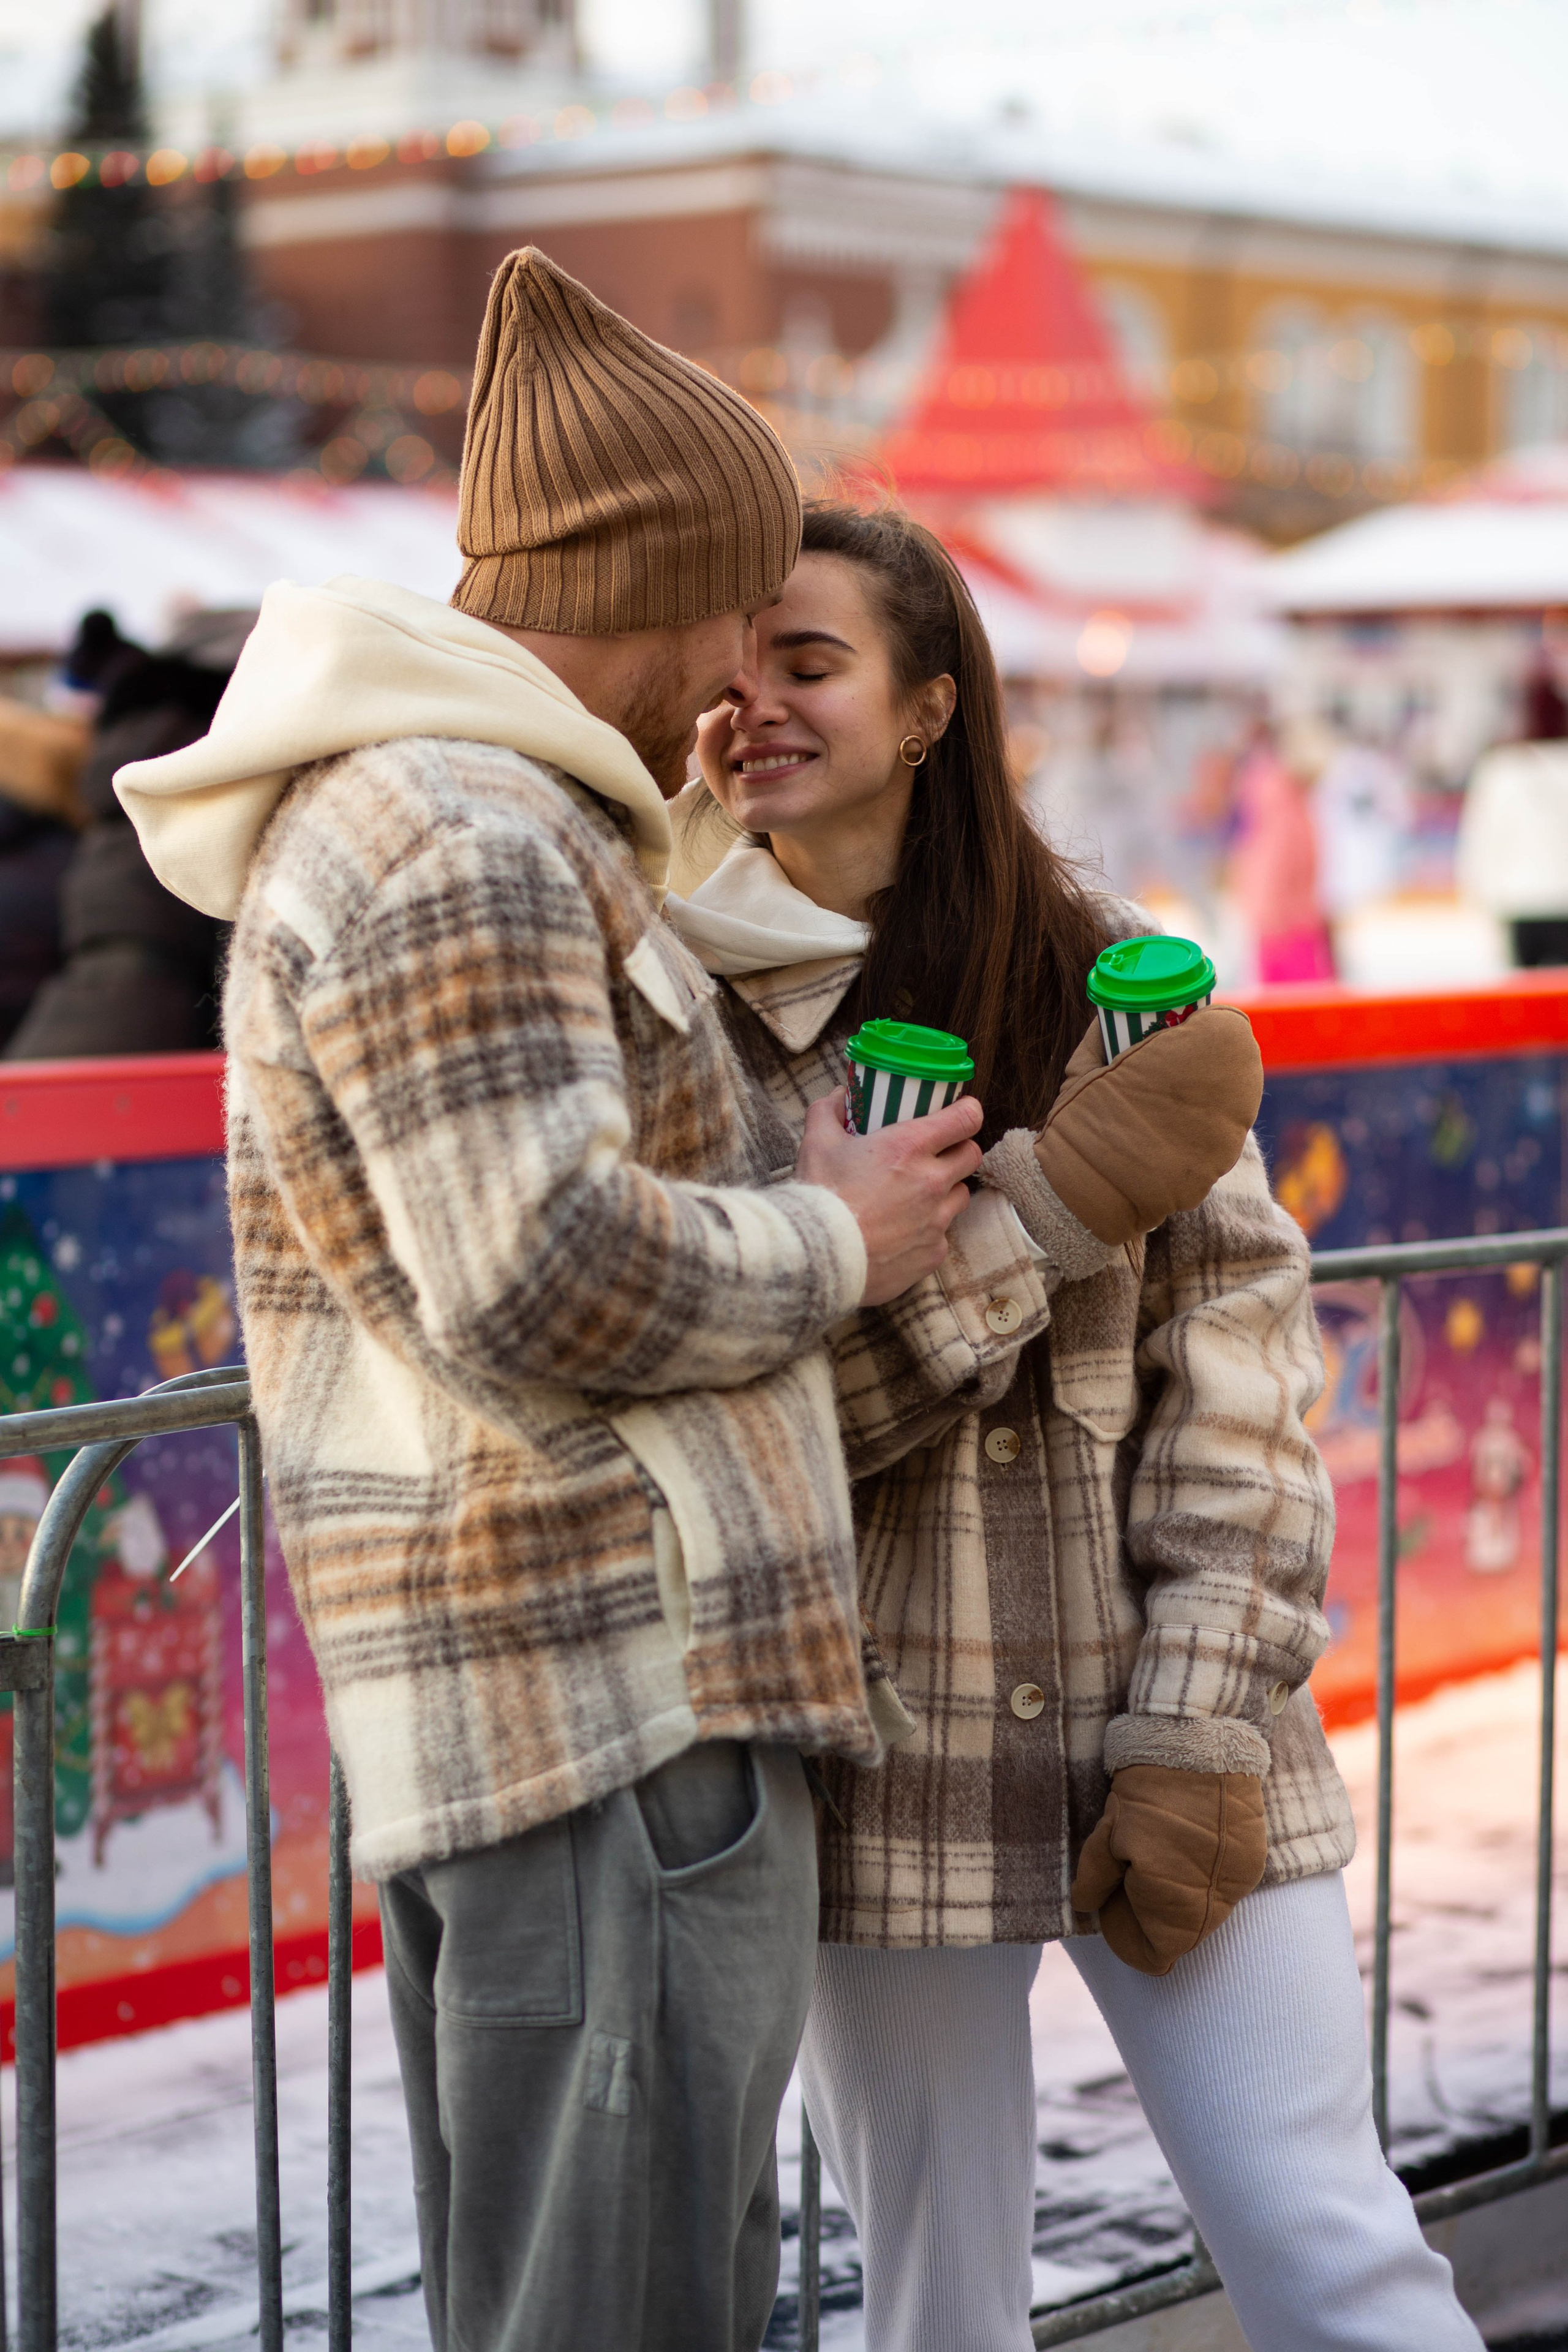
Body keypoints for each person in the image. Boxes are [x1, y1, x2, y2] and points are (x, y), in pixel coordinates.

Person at [113, 254, 986, 2352]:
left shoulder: (465, 809)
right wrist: (838, 1236)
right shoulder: (464, 827)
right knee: (617, 2311)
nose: (737, 658)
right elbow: (535, 1267)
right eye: (732, 597)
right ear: (659, 573)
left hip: (566, 1715)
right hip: (607, 1717)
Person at [674, 499, 1486, 2352]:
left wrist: (1200, 1719)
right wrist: (1033, 1226)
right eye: (729, 675)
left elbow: (1248, 1372)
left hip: (1175, 1721)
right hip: (885, 1754)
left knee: (1329, 2248)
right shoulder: (687, 1019)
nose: (756, 706)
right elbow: (766, 1423)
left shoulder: (1118, 975)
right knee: (936, 2303)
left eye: (807, 661)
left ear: (932, 702)